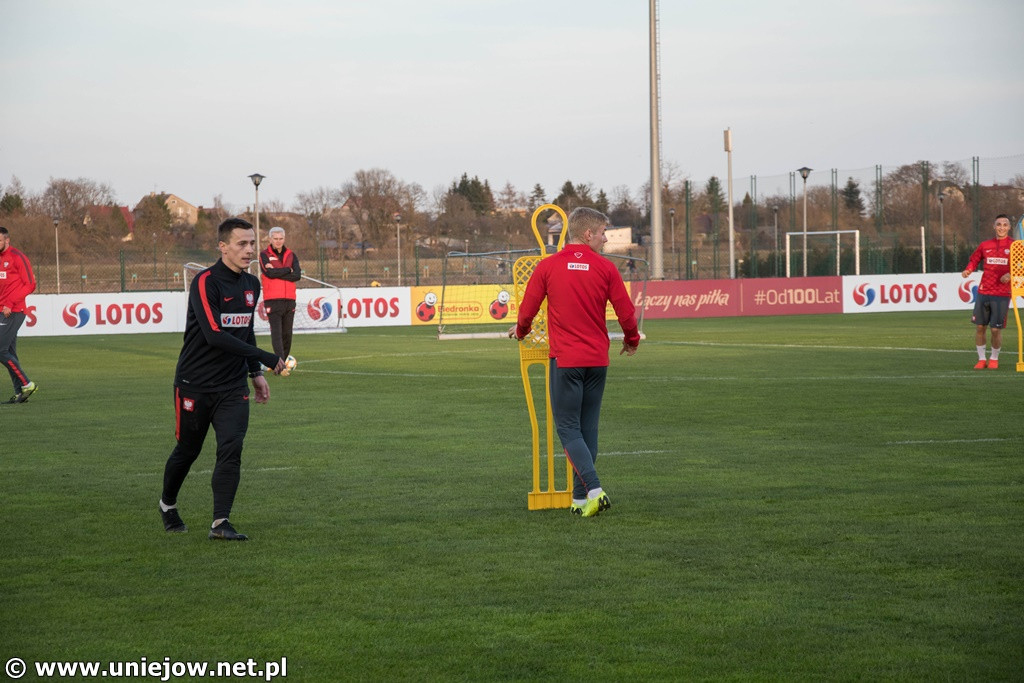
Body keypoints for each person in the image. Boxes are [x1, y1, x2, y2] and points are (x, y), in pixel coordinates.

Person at [509, 207, 640, 518]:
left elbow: (528, 309)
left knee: (568, 428)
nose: (606, 238)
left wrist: (521, 330)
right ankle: (581, 500)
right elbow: (625, 311)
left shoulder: (548, 267)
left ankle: (594, 488)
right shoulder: (606, 268)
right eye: (603, 232)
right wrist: (631, 340)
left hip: (567, 360)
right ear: (588, 234)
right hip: (597, 360)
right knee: (587, 430)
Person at [160, 218, 286, 541]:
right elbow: (215, 335)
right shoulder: (205, 283)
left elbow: (244, 333)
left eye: (252, 243)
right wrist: (268, 358)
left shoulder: (252, 285)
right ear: (223, 247)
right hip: (195, 384)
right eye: (242, 244)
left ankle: (220, 523)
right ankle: (167, 504)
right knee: (188, 450)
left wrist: (255, 373)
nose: (249, 250)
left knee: (231, 448)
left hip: (232, 386)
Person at [962, 214, 1014, 370]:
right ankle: (981, 359)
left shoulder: (1015, 246)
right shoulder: (985, 245)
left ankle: (994, 358)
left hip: (1002, 294)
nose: (1002, 227)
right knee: (980, 327)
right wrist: (969, 269)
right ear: (994, 226)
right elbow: (974, 259)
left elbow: (1021, 266)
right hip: (984, 291)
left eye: (1005, 225)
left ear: (1009, 227)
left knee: (995, 329)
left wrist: (1011, 274)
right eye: (999, 224)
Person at [0, 226, 38, 405]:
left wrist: (9, 303)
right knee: (9, 352)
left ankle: (26, 383)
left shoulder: (18, 257)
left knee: (0, 350)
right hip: (3, 311)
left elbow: (30, 284)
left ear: (7, 240)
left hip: (15, 311)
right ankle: (20, 392)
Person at [259, 226, 302, 367]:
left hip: (290, 300)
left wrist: (278, 271)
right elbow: (269, 273)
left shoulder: (291, 255)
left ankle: (282, 361)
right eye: (275, 239)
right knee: (276, 333)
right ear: (270, 239)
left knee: (287, 334)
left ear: (284, 239)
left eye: (281, 239)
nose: (278, 241)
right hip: (272, 300)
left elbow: (297, 275)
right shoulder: (264, 255)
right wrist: (287, 270)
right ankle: (280, 365)